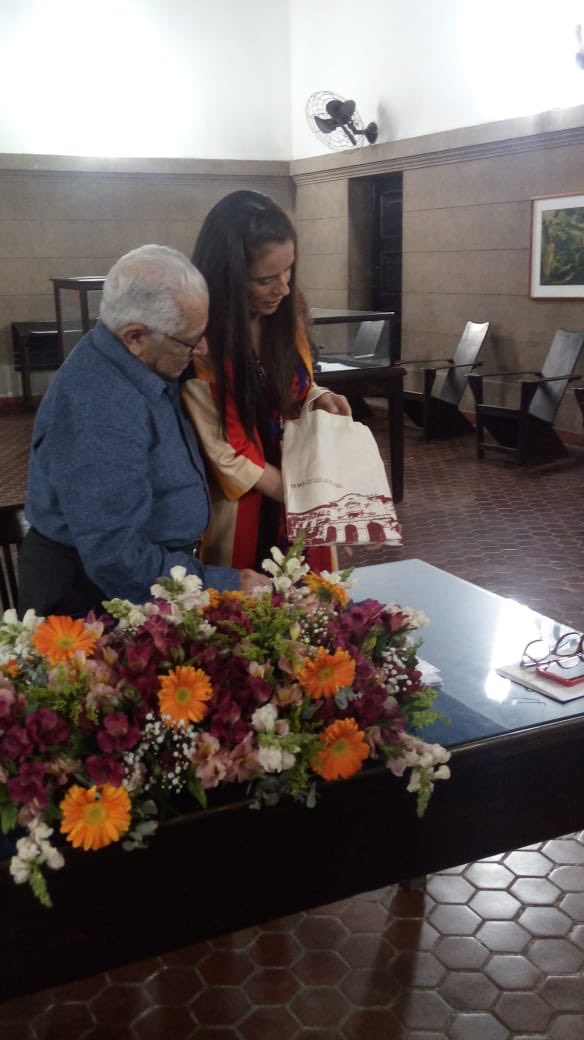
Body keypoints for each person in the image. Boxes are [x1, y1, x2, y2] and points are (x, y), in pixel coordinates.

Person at [18, 244, 269, 620]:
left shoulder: (134, 357)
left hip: (141, 580)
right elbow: (116, 557)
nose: (201, 350)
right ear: (135, 336)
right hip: (92, 600)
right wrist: (224, 585)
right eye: (189, 340)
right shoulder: (102, 407)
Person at [182, 190, 351, 571]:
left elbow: (293, 389)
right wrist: (297, 493)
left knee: (316, 609)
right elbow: (222, 450)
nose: (284, 288)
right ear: (228, 276)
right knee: (249, 618)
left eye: (289, 270)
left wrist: (318, 398)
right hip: (246, 504)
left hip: (300, 490)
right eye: (265, 279)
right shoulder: (201, 340)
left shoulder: (286, 315)